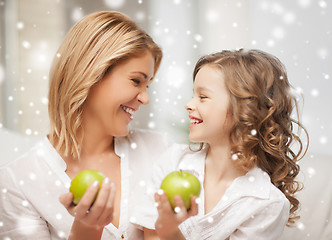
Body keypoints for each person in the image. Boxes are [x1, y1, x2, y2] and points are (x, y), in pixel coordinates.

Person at [0, 11, 173, 240]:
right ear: (92, 73)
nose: (145, 98)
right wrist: (86, 230)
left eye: (147, 86)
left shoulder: (159, 150)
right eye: (136, 81)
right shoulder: (17, 183)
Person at [133, 49, 309, 240]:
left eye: (203, 97)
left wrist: (169, 232)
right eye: (194, 94)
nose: (189, 104)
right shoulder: (172, 161)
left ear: (245, 109)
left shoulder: (266, 202)